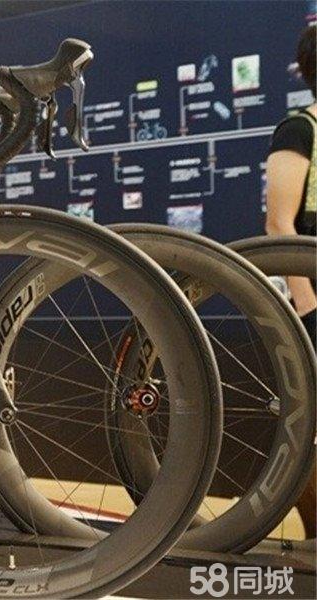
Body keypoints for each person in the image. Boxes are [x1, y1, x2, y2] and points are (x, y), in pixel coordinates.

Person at [264, 22, 316, 539]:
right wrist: (308, 305)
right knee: (309, 433)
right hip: (311, 302)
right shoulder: (300, 129)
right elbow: (280, 224)